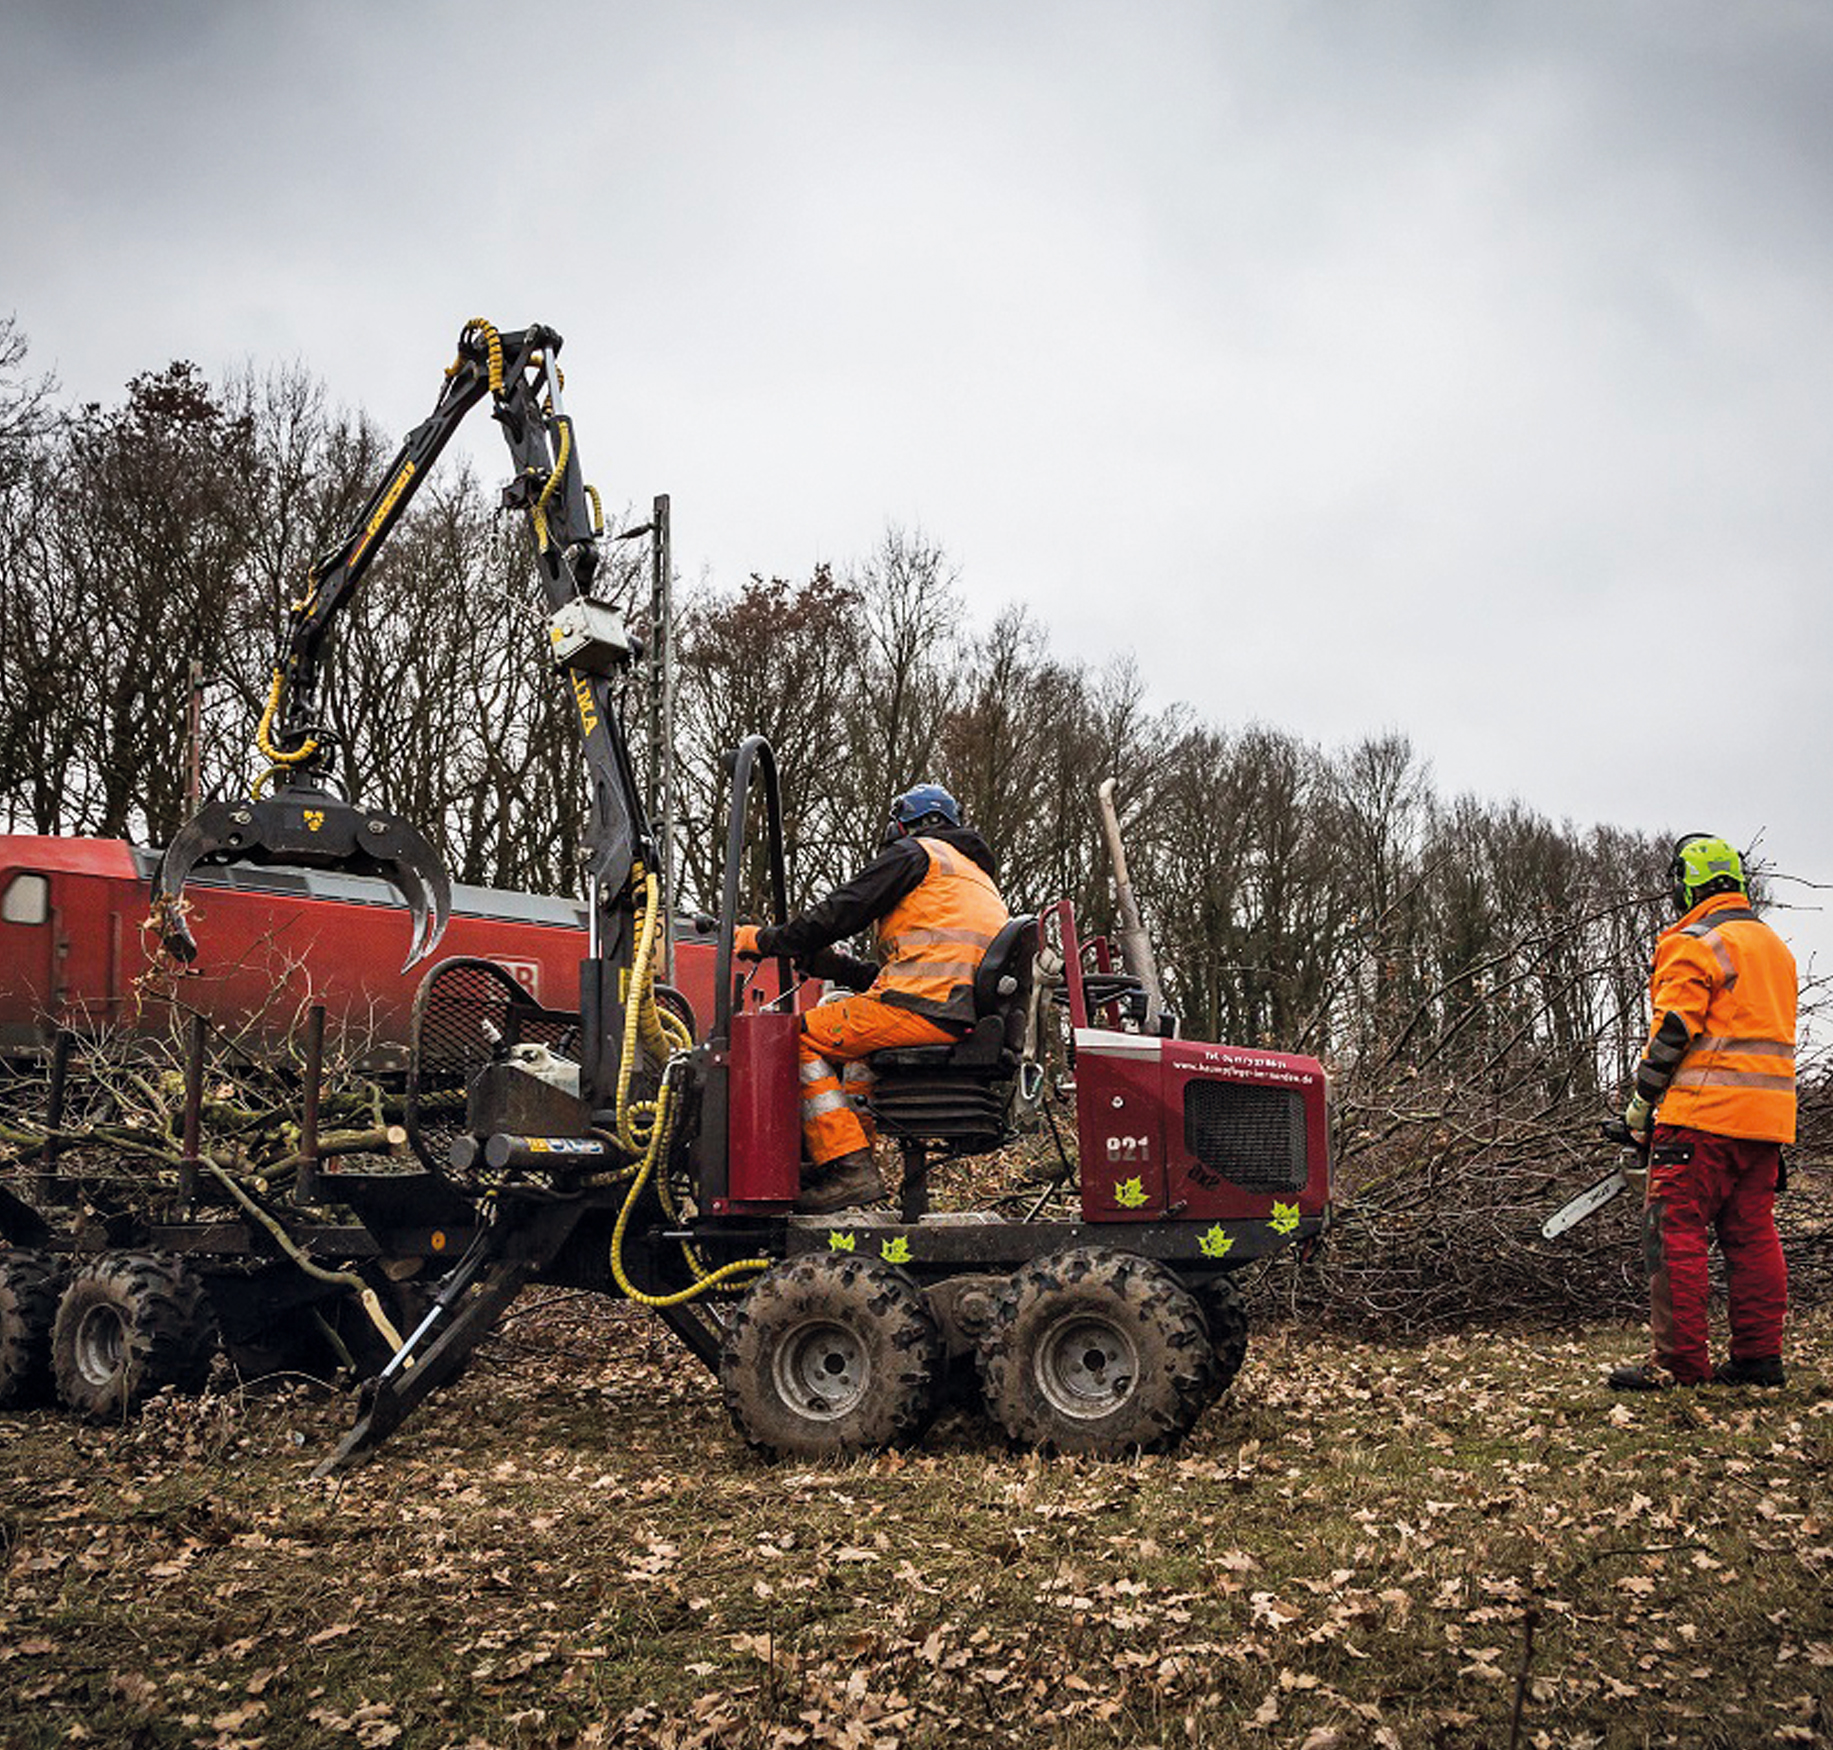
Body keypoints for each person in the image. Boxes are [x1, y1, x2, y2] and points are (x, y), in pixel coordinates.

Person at [735, 783, 1009, 1214]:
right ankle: (849, 1158)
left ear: (902, 826)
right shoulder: (975, 877)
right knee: (850, 1026)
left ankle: (848, 1166)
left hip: (923, 1008)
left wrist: (768, 939)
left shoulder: (917, 853)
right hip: (949, 1011)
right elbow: (914, 972)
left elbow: (840, 910)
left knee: (792, 1039)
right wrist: (838, 968)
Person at [1609, 834, 1797, 1391]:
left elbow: (1673, 1030)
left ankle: (1680, 1364)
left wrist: (1643, 1104)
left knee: (1675, 1233)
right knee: (1752, 1235)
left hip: (1702, 1117)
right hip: (1766, 1122)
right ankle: (1759, 1359)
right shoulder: (1774, 948)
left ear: (1685, 884)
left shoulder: (1694, 942)